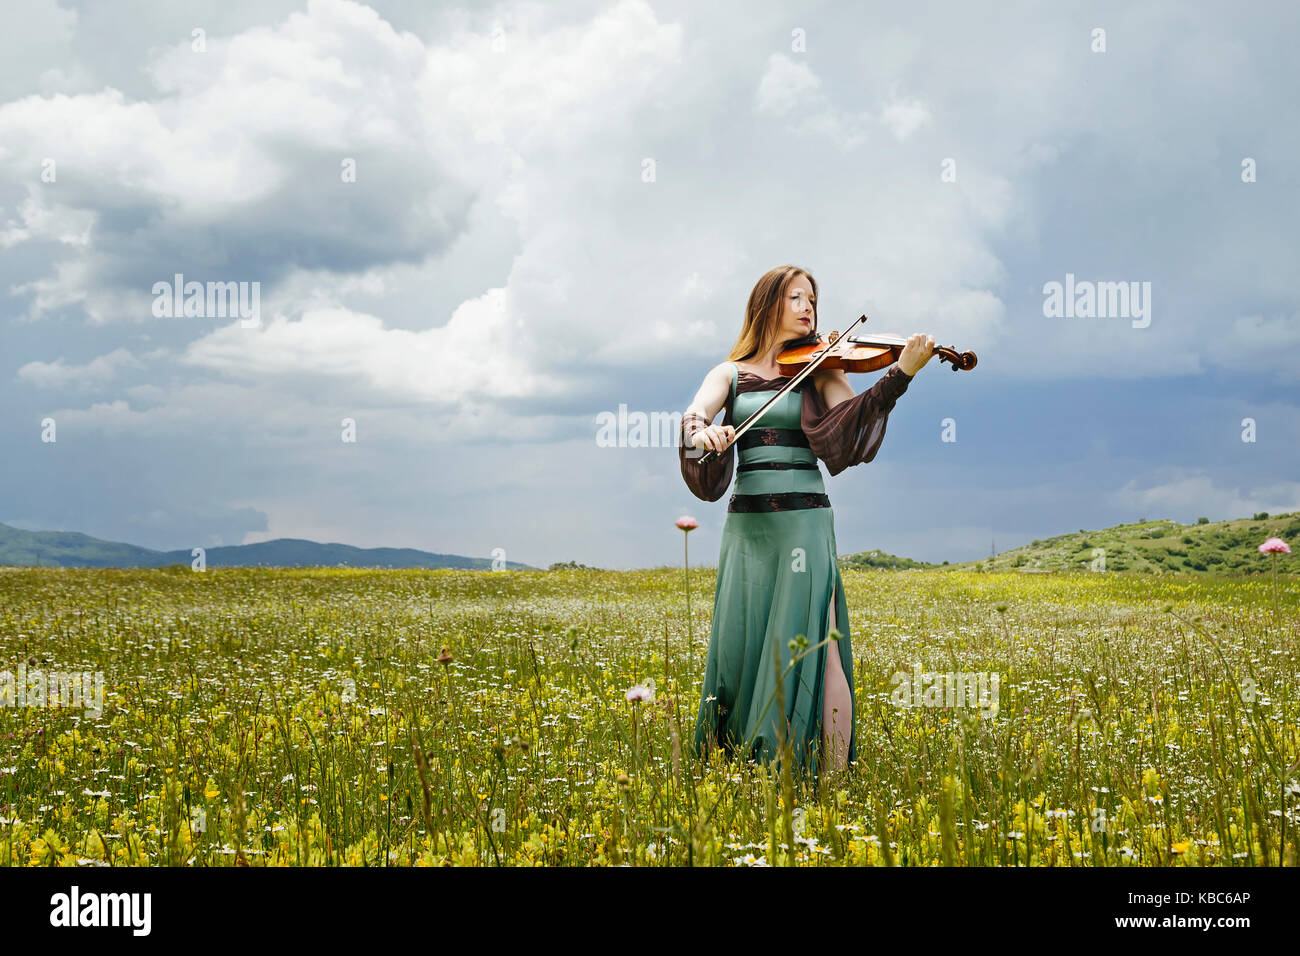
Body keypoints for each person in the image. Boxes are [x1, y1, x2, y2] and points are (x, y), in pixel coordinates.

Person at [678, 264, 935, 783]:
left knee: (824, 641)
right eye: (795, 297)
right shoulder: (728, 373)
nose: (807, 308)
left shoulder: (822, 368)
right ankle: (740, 762)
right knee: (743, 644)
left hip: (805, 524)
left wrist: (901, 374)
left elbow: (856, 420)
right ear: (767, 303)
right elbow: (693, 416)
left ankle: (835, 778)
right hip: (748, 532)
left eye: (812, 300)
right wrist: (700, 434)